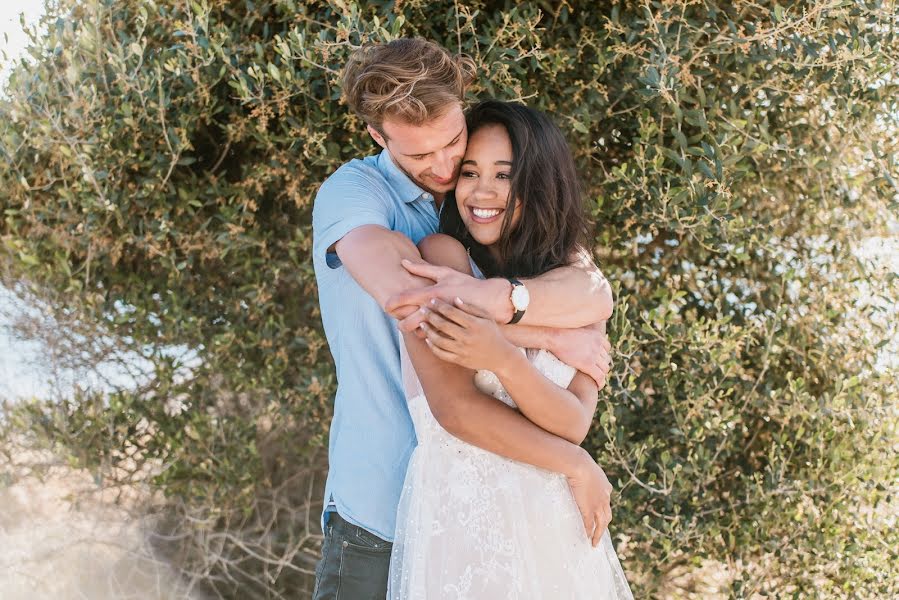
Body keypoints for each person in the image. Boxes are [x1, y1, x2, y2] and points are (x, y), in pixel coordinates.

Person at [311, 38, 615, 600]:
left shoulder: (486, 208)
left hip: (498, 518)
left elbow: (595, 293)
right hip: (379, 510)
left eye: (454, 143)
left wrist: (511, 304)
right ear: (379, 136)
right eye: (421, 156)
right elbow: (418, 304)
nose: (447, 166)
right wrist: (548, 332)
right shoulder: (354, 197)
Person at [388, 100, 633, 599]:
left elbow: (572, 424)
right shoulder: (441, 257)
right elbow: (453, 411)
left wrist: (501, 355)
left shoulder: (576, 287)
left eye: (505, 175)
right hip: (462, 527)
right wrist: (537, 341)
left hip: (553, 529)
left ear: (539, 183)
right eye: (470, 172)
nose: (482, 192)